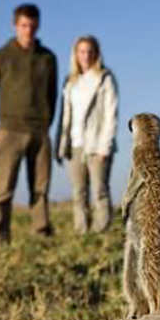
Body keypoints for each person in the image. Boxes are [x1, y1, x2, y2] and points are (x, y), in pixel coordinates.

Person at [0, 3, 58, 243]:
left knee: (40, 189)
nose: (28, 30)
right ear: (15, 26)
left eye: (32, 25)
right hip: (9, 131)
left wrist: (47, 123)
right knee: (3, 189)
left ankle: (42, 236)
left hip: (40, 133)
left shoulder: (48, 58)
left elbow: (53, 96)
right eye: (23, 25)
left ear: (38, 25)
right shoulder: (1, 56)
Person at [55, 35, 119, 234]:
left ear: (96, 53)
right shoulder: (70, 81)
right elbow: (65, 116)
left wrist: (104, 146)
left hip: (97, 145)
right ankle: (81, 232)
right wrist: (62, 144)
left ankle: (101, 232)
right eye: (81, 51)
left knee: (100, 190)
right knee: (78, 192)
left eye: (90, 51)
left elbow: (111, 113)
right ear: (75, 54)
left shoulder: (105, 78)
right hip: (75, 144)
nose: (86, 55)